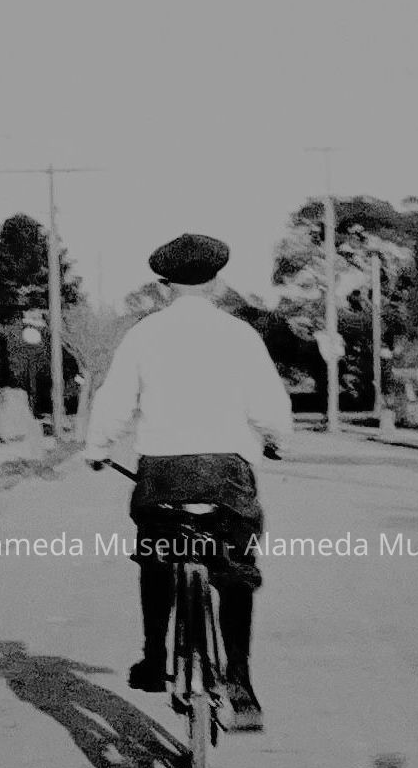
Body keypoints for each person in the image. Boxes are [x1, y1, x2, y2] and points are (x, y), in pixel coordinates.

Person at [85, 232, 292, 732]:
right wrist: (275, 438)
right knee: (236, 571)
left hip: (163, 474)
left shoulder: (144, 334)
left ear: (164, 285)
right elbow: (269, 405)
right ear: (216, 282)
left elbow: (115, 400)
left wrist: (97, 448)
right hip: (227, 474)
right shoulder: (239, 335)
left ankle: (155, 658)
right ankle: (239, 682)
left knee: (156, 557)